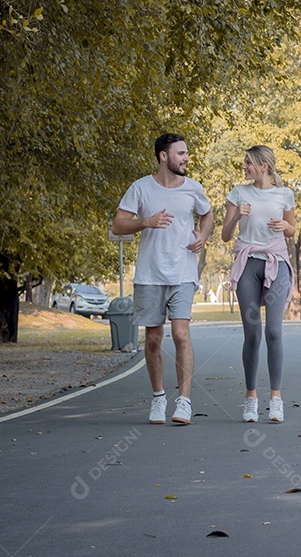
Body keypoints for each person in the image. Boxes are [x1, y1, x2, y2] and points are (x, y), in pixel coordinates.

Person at [112, 133, 213, 425]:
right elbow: (118, 225)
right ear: (163, 156)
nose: (186, 158)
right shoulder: (140, 188)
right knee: (154, 339)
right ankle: (158, 398)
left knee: (181, 334)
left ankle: (184, 401)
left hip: (183, 271)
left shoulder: (193, 188)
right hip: (150, 274)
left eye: (186, 153)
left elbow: (207, 214)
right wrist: (146, 221)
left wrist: (203, 236)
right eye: (180, 153)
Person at [221, 146, 296, 423]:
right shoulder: (238, 193)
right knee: (252, 334)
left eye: (249, 163)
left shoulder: (284, 193)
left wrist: (283, 228)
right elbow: (225, 236)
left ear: (264, 166)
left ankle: (276, 399)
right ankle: (250, 398)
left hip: (276, 263)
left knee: (274, 332)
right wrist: (237, 216)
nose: (245, 167)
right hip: (248, 264)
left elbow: (292, 229)